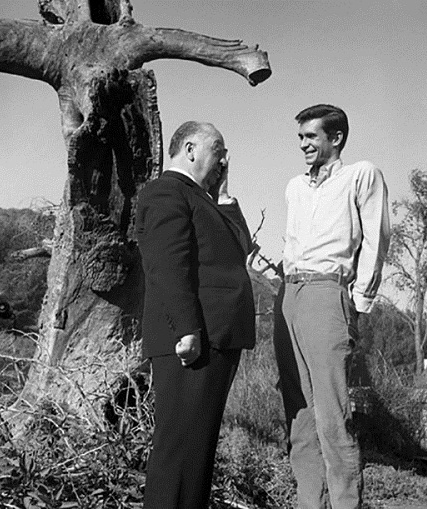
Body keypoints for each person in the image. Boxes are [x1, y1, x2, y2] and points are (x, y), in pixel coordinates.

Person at [274, 104, 390, 509]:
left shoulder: (362, 175)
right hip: (288, 295)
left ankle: (344, 504)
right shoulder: (294, 187)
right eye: (300, 137)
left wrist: (357, 303)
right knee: (300, 416)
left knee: (332, 417)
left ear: (335, 137)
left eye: (311, 137)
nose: (303, 144)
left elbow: (376, 239)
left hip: (329, 294)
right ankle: (309, 503)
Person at [136, 121, 256, 509]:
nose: (224, 158)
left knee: (197, 452)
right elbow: (168, 265)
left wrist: (223, 195)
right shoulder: (166, 191)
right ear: (189, 149)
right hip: (191, 339)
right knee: (179, 453)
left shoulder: (204, 198)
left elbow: (242, 248)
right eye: (217, 148)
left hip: (217, 337)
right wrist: (186, 329)